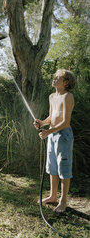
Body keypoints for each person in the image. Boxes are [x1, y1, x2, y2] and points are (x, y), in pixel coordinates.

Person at [33, 69, 76, 213]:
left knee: (63, 168)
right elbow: (51, 117)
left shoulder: (68, 97)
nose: (54, 79)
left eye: (58, 78)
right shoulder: (52, 96)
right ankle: (52, 196)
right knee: (52, 166)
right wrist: (42, 123)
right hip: (51, 135)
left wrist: (48, 131)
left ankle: (63, 201)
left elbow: (66, 122)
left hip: (63, 136)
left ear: (66, 83)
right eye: (55, 77)